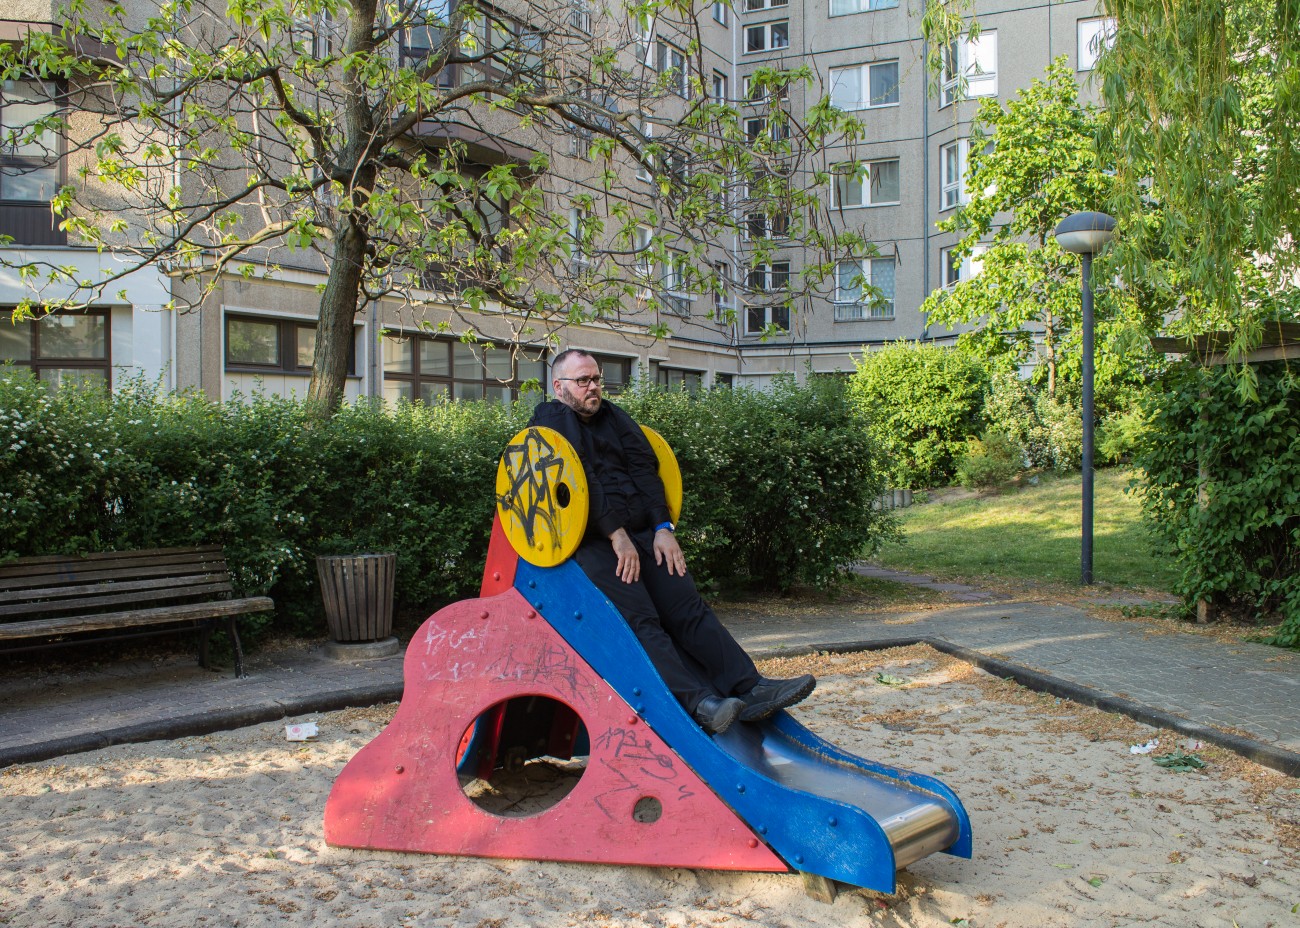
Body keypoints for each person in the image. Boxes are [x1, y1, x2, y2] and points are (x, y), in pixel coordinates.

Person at [527, 348, 815, 735]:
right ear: (559, 386)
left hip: (644, 534)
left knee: (688, 608)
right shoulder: (550, 422)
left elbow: (646, 471)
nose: (593, 387)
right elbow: (580, 481)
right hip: (594, 542)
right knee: (642, 620)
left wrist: (664, 528)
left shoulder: (614, 417)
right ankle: (699, 704)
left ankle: (751, 688)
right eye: (583, 381)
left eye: (596, 378)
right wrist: (617, 535)